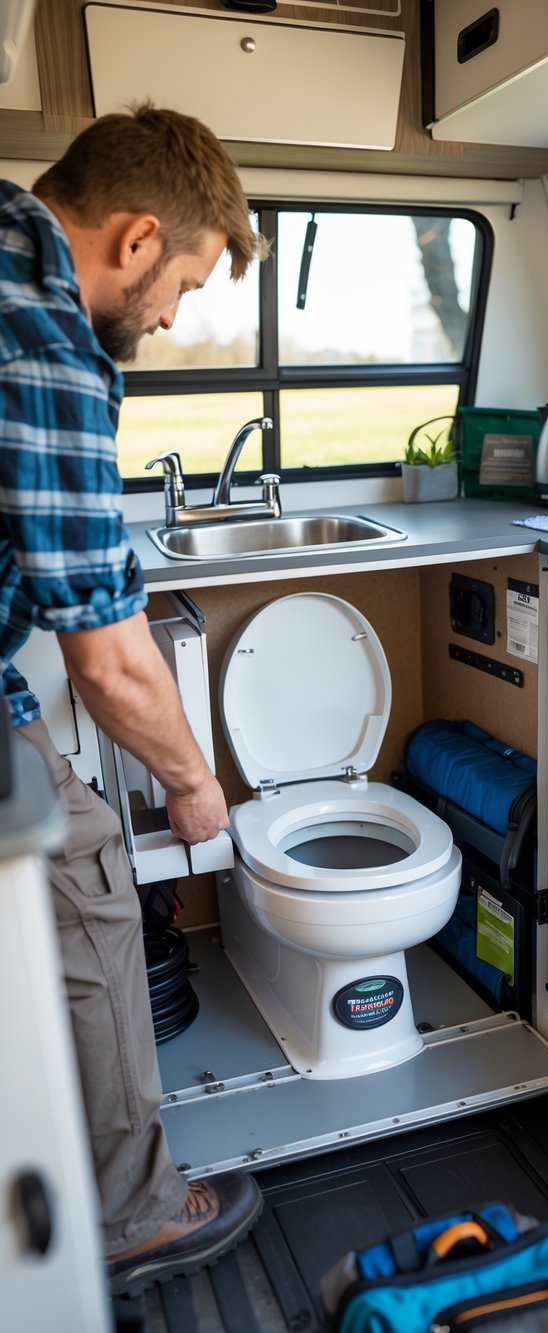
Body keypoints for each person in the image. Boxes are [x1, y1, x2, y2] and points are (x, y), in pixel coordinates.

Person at [0, 103, 270, 1298]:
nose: (172, 316)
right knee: (93, 872)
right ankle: (133, 1210)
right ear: (137, 236)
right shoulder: (46, 335)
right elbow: (108, 660)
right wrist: (197, 783)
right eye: (186, 285)